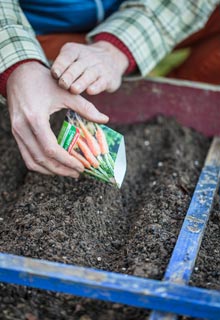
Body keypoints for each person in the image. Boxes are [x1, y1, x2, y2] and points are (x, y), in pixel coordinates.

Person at [0, 0, 219, 178]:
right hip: (40, 30)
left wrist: (117, 47)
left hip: (148, 11)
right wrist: (18, 64)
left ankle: (174, 113)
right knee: (49, 91)